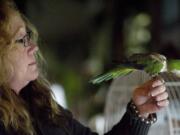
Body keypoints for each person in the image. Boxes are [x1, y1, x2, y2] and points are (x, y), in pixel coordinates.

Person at [0, 0, 169, 135]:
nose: (34, 47)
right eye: (21, 39)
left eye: (28, 36)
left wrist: (139, 111)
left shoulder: (42, 104)